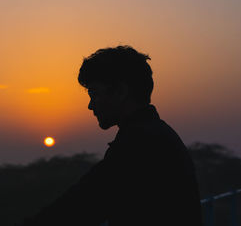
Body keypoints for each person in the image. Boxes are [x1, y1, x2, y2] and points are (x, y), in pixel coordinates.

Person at [20, 45, 203, 225]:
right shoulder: (153, 134)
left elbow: (83, 204)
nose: (91, 105)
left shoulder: (139, 144)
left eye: (95, 94)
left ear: (121, 92)